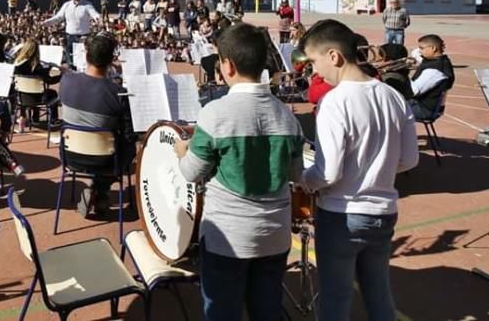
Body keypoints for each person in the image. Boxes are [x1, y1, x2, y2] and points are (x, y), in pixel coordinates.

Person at [175, 23, 305, 321]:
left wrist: (183, 152)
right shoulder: (287, 117)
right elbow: (296, 175)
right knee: (266, 309)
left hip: (228, 239)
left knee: (222, 311)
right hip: (275, 235)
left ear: (227, 66)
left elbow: (192, 173)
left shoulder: (215, 113)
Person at [298, 19, 419, 321]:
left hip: (342, 215)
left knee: (336, 298)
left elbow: (328, 172)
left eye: (314, 61)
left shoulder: (335, 101)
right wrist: (377, 171)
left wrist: (302, 179)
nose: (313, 70)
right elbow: (410, 159)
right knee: (378, 292)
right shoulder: (393, 95)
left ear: (334, 56)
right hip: (384, 212)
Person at [58, 33, 134, 217]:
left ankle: (100, 190)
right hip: (106, 161)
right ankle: (101, 189)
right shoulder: (118, 93)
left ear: (86, 56)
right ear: (111, 61)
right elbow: (129, 134)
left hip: (70, 156)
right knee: (127, 145)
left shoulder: (66, 81)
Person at [43, 0, 101, 64]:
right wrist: (47, 22)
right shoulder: (66, 5)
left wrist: (98, 18)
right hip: (70, 38)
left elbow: (94, 14)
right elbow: (58, 17)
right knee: (70, 62)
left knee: (83, 62)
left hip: (84, 38)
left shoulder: (87, 5)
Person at [12, 39, 61, 128]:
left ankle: (33, 117)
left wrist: (46, 70)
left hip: (22, 98)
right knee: (52, 93)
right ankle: (53, 119)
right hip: (38, 99)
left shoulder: (17, 65)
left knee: (32, 90)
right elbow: (49, 80)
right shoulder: (37, 66)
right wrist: (61, 76)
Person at [409, 34, 454, 120]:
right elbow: (415, 53)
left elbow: (413, 91)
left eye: (422, 48)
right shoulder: (441, 60)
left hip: (424, 109)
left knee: (387, 107)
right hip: (424, 105)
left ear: (433, 48)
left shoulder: (435, 71)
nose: (419, 51)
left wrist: (401, 75)